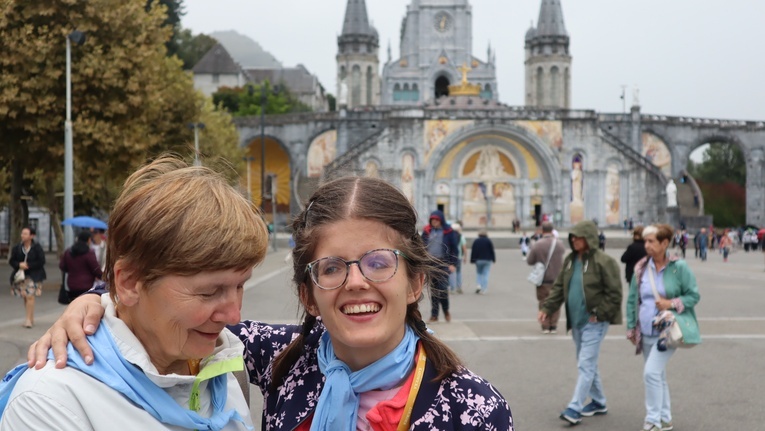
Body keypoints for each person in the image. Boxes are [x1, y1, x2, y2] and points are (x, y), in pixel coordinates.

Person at [26, 176, 514, 430]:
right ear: (308, 294)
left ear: (414, 283)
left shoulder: (473, 408)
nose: (357, 282)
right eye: (331, 268)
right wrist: (89, 303)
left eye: (379, 262)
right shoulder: (285, 355)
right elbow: (151, 298)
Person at [1, 156, 266, 429]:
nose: (234, 316)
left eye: (240, 285)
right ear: (128, 283)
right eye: (209, 292)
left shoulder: (222, 364)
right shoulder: (49, 403)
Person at [538, 220, 622, 425]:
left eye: (578, 237)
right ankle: (599, 401)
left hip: (594, 321)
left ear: (589, 238)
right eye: (572, 237)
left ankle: (575, 408)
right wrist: (547, 308)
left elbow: (615, 293)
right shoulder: (570, 260)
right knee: (587, 363)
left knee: (586, 363)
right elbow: (558, 288)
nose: (574, 240)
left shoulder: (604, 261)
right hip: (576, 321)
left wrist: (600, 313)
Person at [626, 224, 701, 431]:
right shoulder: (641, 267)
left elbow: (693, 295)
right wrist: (632, 327)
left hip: (667, 330)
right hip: (646, 330)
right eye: (645, 241)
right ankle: (665, 419)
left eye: (651, 241)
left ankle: (652, 420)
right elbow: (633, 298)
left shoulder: (679, 267)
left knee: (650, 373)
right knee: (658, 375)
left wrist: (671, 303)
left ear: (664, 243)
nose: (646, 245)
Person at [526, 222, 565, 334]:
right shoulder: (559, 244)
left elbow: (530, 261)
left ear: (542, 230)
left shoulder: (538, 245)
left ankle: (545, 325)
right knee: (556, 302)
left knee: (543, 302)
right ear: (552, 231)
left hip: (543, 279)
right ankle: (553, 325)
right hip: (557, 278)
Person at [421, 210, 459, 323]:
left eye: (436, 220)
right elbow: (421, 246)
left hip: (443, 264)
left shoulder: (448, 231)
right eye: (433, 220)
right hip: (431, 264)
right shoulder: (427, 231)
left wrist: (453, 264)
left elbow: (454, 249)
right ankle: (434, 315)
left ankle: (446, 311)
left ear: (441, 220)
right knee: (433, 291)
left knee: (442, 290)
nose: (434, 222)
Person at [8, 227, 46, 328]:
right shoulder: (17, 247)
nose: (22, 235)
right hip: (21, 276)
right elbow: (12, 260)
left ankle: (28, 320)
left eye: (25, 234)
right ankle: (30, 317)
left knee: (30, 296)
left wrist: (28, 265)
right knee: (25, 296)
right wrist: (19, 264)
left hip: (34, 275)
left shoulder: (37, 247)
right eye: (22, 233)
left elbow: (41, 261)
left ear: (32, 236)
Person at [59, 231, 103, 302]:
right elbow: (95, 269)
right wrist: (103, 277)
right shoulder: (89, 252)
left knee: (74, 303)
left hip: (71, 285)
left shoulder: (69, 251)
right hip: (86, 285)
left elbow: (62, 266)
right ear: (88, 240)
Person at [470, 230, 496, 294]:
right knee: (486, 274)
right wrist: (494, 259)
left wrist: (472, 260)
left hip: (478, 260)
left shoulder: (476, 241)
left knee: (479, 273)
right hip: (487, 260)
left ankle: (479, 285)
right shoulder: (488, 241)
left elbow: (473, 251)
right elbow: (492, 250)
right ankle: (484, 289)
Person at [449, 222, 467, 294]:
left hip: (451, 257)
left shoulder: (449, 236)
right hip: (459, 257)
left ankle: (452, 288)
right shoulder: (461, 236)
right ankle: (459, 287)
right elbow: (464, 248)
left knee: (451, 272)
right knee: (459, 272)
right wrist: (465, 256)